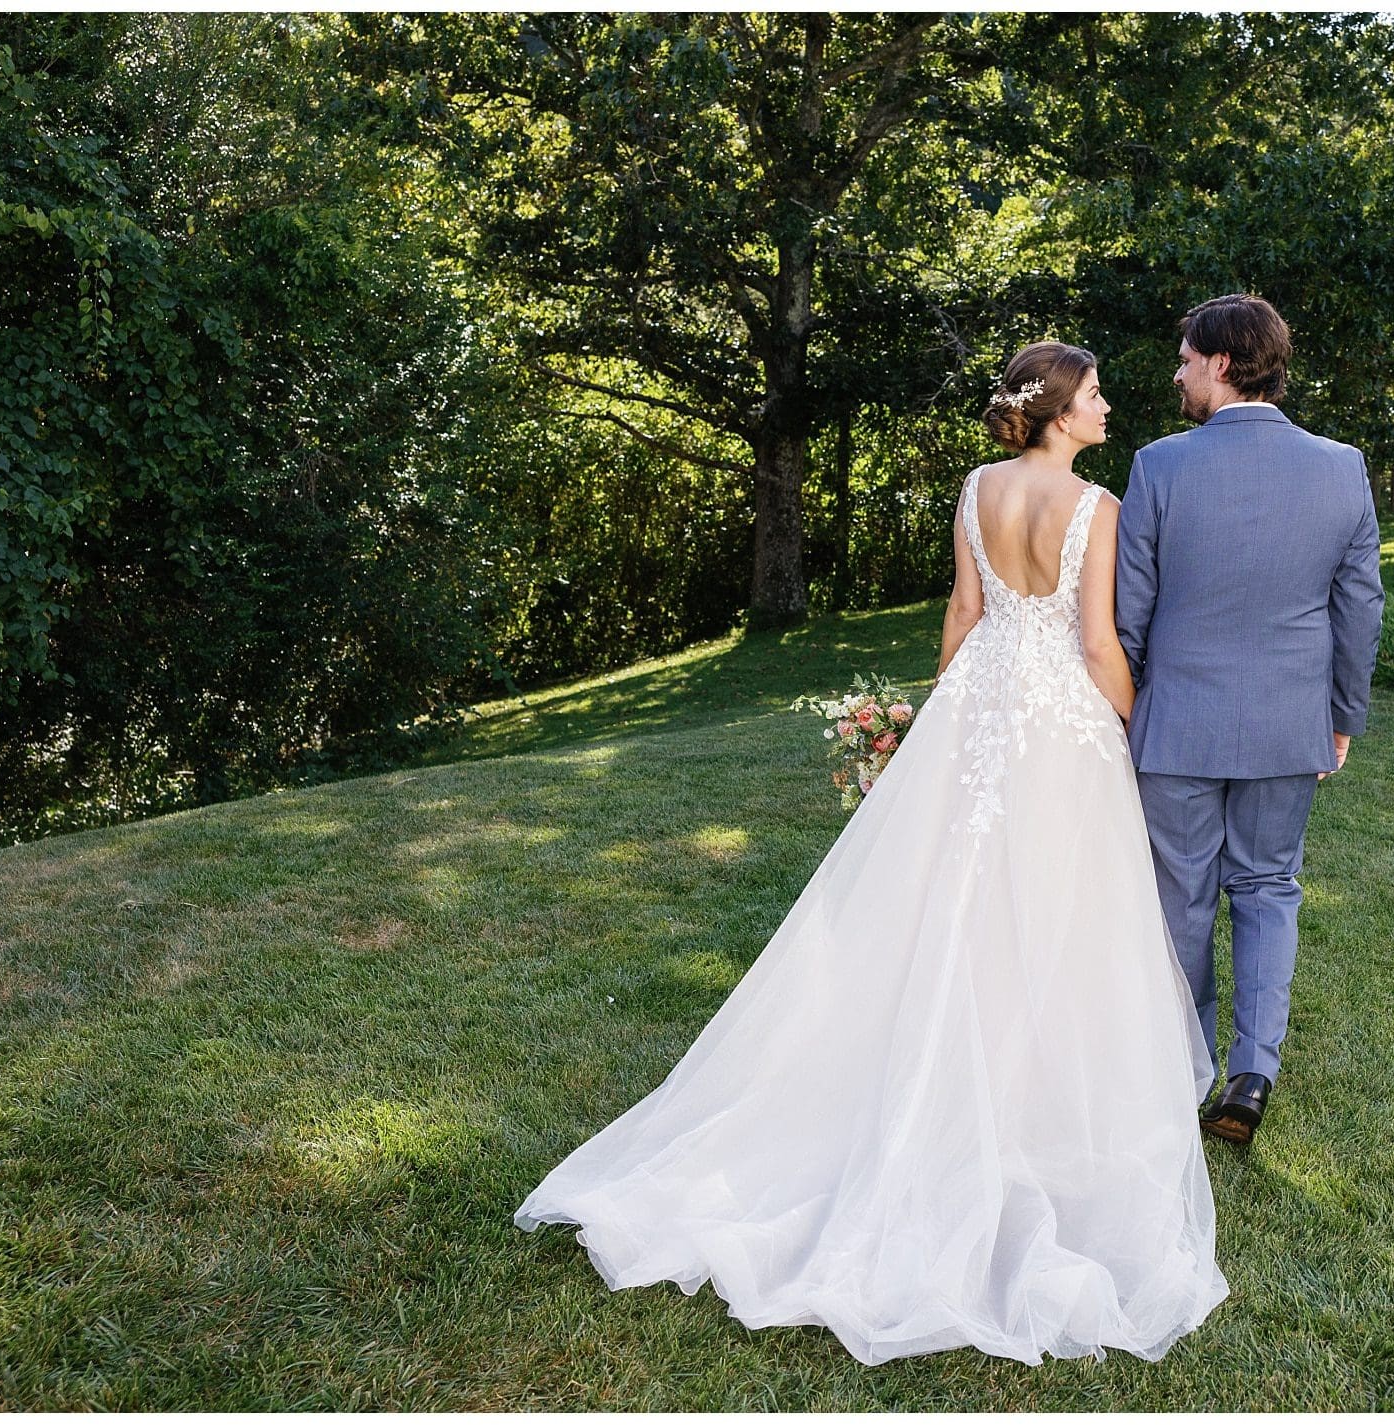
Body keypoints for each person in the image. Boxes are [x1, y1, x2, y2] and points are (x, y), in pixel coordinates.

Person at [515, 341, 1229, 1367]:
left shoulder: (978, 488)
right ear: (1062, 413)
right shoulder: (1098, 510)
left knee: (937, 902)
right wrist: (1125, 728)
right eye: (1099, 395)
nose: (1111, 406)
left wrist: (940, 720)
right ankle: (1029, 1118)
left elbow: (964, 612)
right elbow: (1100, 648)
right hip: (1057, 727)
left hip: (975, 709)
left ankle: (941, 1090)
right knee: (1058, 919)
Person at [1116, 294, 1385, 1146]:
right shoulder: (1341, 466)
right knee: (1268, 888)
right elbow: (1361, 609)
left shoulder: (1159, 465)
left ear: (1223, 363)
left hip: (1176, 726)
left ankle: (1188, 1062)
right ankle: (1252, 1072)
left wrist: (1122, 713)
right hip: (1286, 720)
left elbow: (1131, 612)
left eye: (1187, 358)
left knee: (1182, 896)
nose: (1179, 372)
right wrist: (1340, 716)